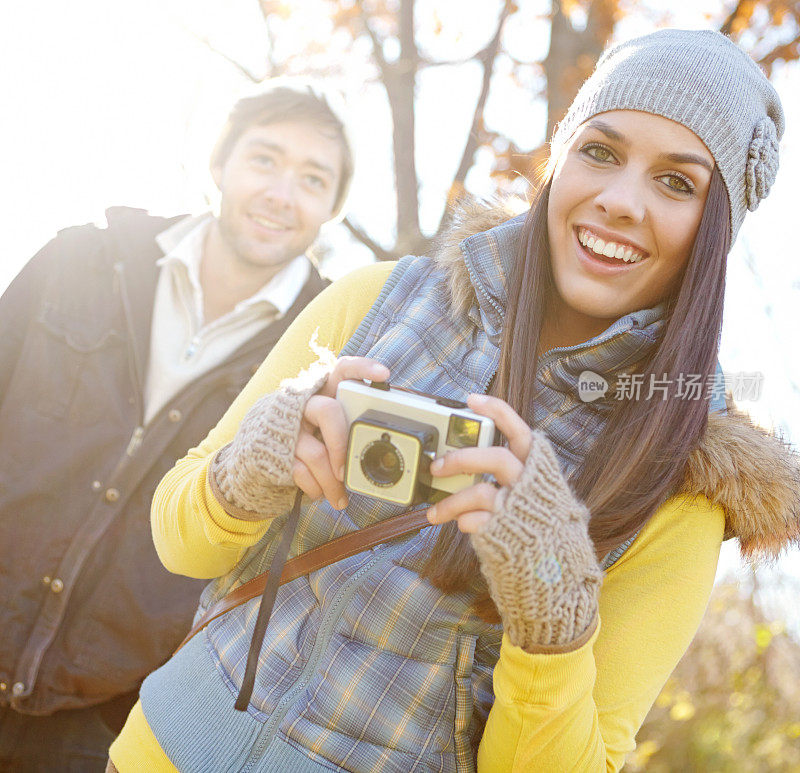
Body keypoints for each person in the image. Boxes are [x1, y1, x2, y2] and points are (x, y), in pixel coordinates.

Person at [109, 29, 799, 772]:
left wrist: (553, 603)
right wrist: (246, 472)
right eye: (600, 151)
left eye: (676, 182)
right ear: (560, 161)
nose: (619, 201)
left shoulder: (683, 477)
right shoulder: (378, 300)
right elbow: (177, 539)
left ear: (714, 227)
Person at [0, 81, 354, 771]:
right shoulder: (79, 259)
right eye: (265, 160)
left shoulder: (326, 359)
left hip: (104, 723)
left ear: (332, 209)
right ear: (218, 165)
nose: (283, 193)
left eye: (313, 179)